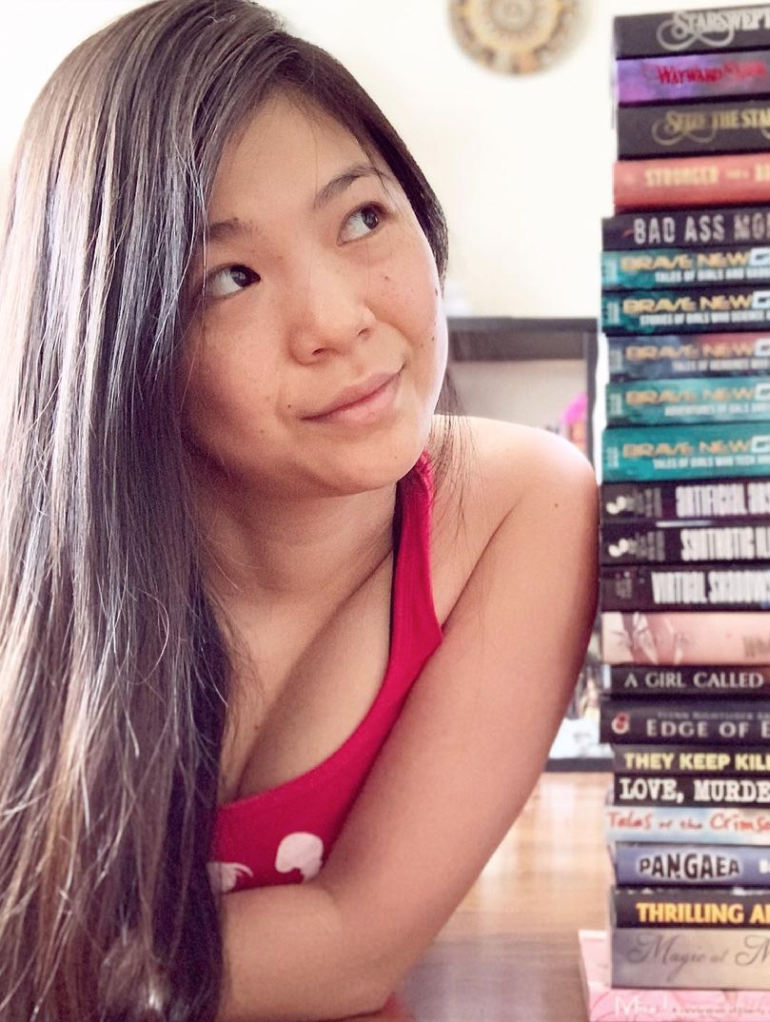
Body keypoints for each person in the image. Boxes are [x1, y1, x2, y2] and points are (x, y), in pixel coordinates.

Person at [0, 2, 598, 1019]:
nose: (335, 320)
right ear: (114, 342)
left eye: (362, 217)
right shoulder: (40, 556)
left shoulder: (524, 505)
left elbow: (357, 944)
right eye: (228, 278)